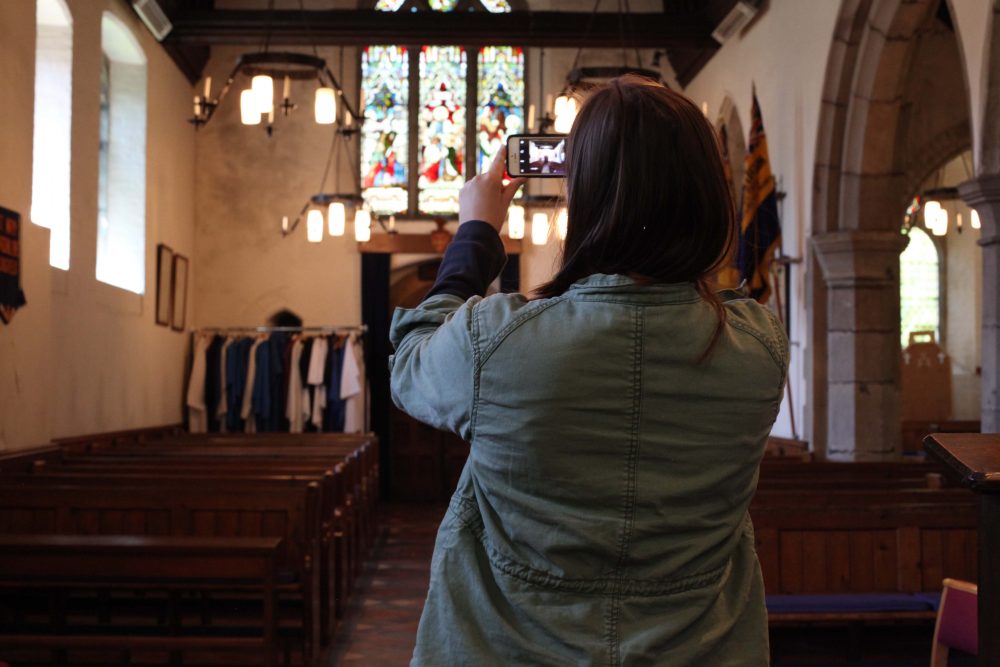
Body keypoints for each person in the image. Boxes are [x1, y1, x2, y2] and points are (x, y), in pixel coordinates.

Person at [389, 75, 788, 666]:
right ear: (706, 194)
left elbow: (410, 362)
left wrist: (474, 235)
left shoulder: (497, 341)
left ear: (584, 197)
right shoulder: (758, 347)